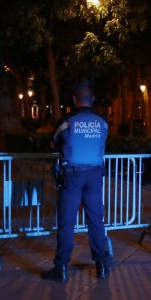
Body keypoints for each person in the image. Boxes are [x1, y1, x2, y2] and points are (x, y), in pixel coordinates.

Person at [42, 81, 110, 282]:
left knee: (67, 222)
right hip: (95, 176)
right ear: (93, 100)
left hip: (72, 176)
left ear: (74, 100)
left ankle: (61, 268)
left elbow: (54, 142)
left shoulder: (66, 121)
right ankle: (102, 266)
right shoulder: (102, 122)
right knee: (96, 221)